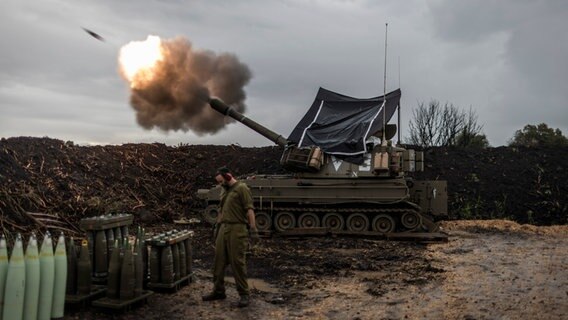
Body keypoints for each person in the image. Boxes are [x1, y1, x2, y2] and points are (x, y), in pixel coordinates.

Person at [202, 167, 259, 308]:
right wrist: (217, 226)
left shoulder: (242, 188)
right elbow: (221, 208)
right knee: (218, 261)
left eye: (221, 181)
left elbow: (249, 209)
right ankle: (218, 291)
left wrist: (253, 229)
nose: (220, 184)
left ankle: (244, 294)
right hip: (224, 227)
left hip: (237, 228)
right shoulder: (224, 189)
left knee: (237, 262)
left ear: (228, 176)